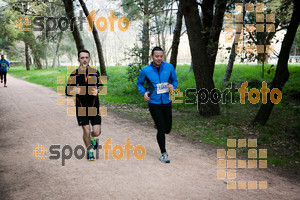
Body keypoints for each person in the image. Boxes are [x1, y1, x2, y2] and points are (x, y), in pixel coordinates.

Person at [137, 46, 178, 163]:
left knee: (167, 129)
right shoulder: (146, 70)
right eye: (156, 56)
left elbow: (174, 80)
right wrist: (144, 92)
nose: (159, 58)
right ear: (151, 56)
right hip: (154, 102)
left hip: (167, 101)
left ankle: (158, 123)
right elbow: (139, 83)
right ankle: (163, 153)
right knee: (161, 128)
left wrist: (172, 87)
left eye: (161, 56)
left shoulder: (169, 67)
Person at [65, 49, 103, 161]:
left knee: (96, 132)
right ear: (78, 60)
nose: (84, 60)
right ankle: (89, 151)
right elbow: (67, 90)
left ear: (89, 58)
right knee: (86, 131)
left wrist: (97, 90)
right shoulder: (74, 74)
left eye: (86, 57)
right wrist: (73, 91)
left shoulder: (95, 72)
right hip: (81, 107)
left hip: (94, 106)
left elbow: (100, 85)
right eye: (82, 58)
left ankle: (91, 137)